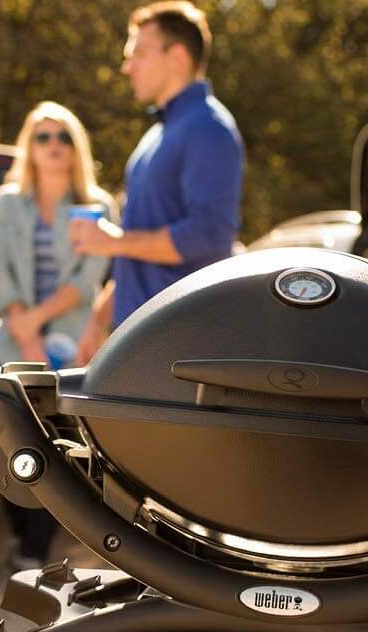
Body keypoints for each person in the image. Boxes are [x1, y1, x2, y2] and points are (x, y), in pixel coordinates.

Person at [71, 0, 244, 362]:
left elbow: (209, 236)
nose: (126, 67)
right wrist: (99, 318)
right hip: (138, 337)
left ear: (177, 57)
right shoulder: (157, 134)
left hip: (177, 345)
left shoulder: (209, 129)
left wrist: (113, 242)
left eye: (138, 53)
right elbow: (140, 242)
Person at [0, 101, 115, 570]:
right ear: (29, 146)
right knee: (4, 442)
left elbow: (86, 283)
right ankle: (23, 534)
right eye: (43, 137)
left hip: (70, 343)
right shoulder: (6, 202)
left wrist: (36, 327)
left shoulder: (98, 206)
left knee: (57, 445)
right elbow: (1, 273)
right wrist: (24, 335)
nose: (54, 145)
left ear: (75, 145)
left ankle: (32, 553)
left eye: (63, 136)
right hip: (14, 340)